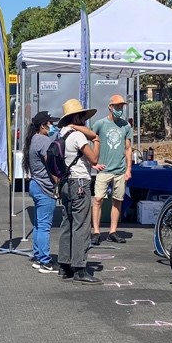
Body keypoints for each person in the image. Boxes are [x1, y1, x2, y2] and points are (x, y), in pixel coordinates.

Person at [55, 98, 101, 283]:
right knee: (81, 225)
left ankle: (64, 265)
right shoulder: (77, 136)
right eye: (82, 116)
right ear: (77, 117)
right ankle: (80, 268)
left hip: (65, 182)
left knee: (67, 222)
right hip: (79, 182)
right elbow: (94, 159)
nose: (84, 119)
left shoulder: (62, 133)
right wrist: (96, 140)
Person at [89, 93, 135, 245]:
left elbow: (128, 148)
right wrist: (92, 162)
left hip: (120, 170)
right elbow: (90, 139)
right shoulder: (100, 124)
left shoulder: (125, 126)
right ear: (110, 107)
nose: (120, 109)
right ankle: (96, 231)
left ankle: (113, 231)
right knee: (98, 200)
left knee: (117, 201)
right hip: (104, 169)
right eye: (117, 106)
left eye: (122, 106)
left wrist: (128, 169)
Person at [23, 110, 59, 274]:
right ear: (43, 125)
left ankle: (39, 257)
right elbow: (51, 164)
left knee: (39, 224)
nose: (52, 126)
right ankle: (45, 261)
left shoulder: (33, 140)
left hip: (35, 184)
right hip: (44, 187)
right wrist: (58, 179)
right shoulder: (44, 141)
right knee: (44, 226)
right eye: (50, 123)